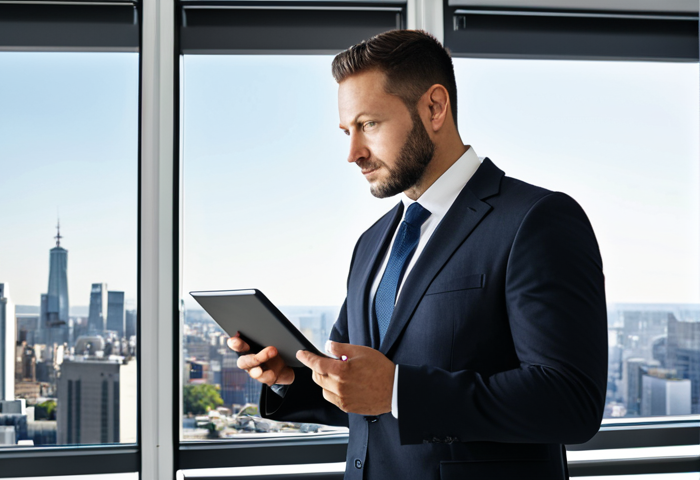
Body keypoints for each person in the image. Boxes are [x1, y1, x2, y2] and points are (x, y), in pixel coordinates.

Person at [227, 29, 607, 480]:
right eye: (347, 131)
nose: (352, 153)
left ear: (434, 107)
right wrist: (293, 377)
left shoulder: (535, 220)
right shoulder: (371, 242)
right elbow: (361, 389)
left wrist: (399, 391)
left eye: (368, 124)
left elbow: (570, 402)